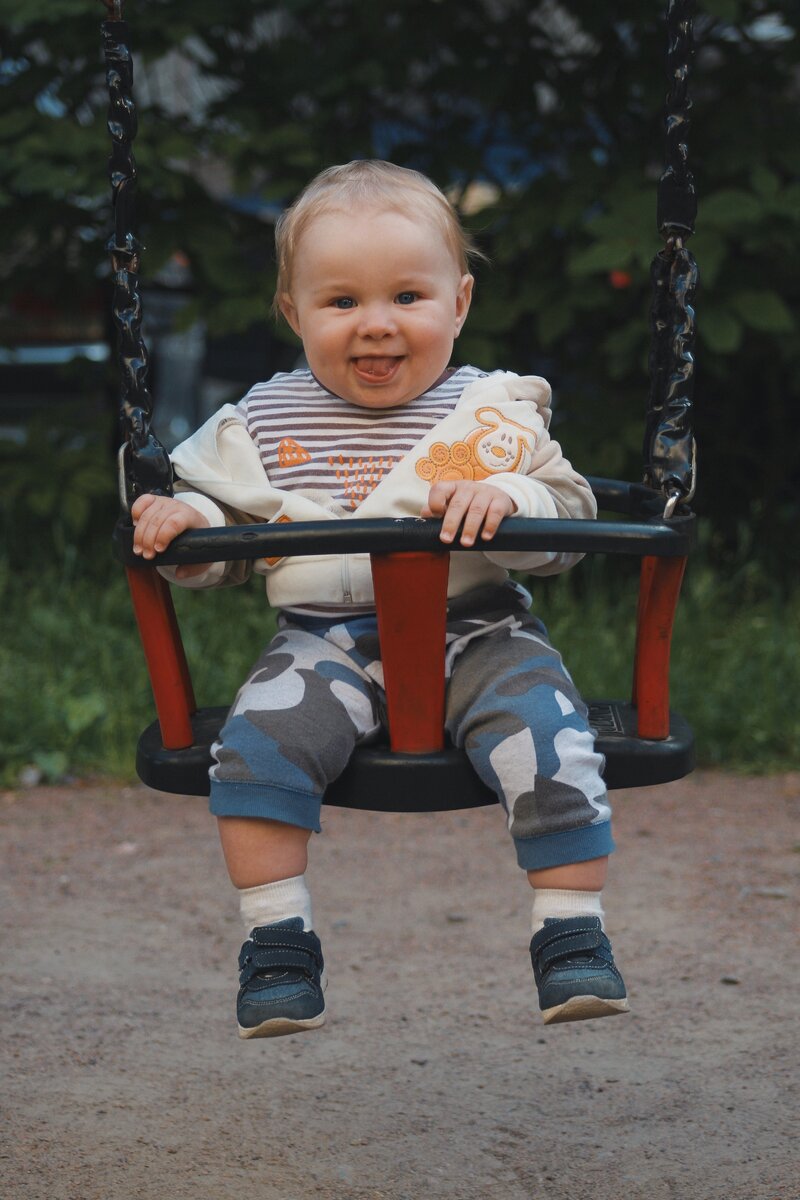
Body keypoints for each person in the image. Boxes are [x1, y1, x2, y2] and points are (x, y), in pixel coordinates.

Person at [131, 160, 629, 1039]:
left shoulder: (490, 414)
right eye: (341, 301)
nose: (376, 324)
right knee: (255, 747)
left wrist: (510, 497)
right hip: (323, 642)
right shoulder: (262, 423)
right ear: (294, 314)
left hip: (480, 633)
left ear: (459, 303)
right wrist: (185, 524)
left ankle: (571, 936)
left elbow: (570, 515)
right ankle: (278, 946)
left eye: (407, 296)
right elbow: (222, 536)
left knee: (551, 738)